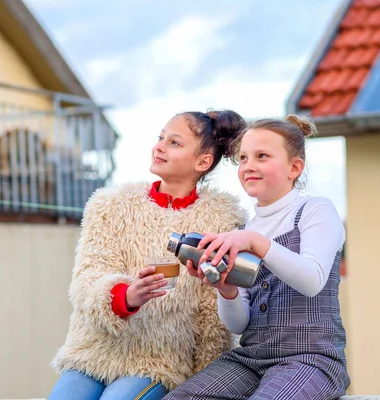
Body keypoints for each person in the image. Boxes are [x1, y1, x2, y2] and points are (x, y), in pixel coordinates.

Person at [49, 110, 248, 400]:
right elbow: (86, 281)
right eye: (160, 138)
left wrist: (203, 380)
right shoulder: (109, 206)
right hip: (93, 350)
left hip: (160, 362)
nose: (159, 146)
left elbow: (211, 318)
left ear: (202, 161)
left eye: (174, 142)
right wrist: (127, 296)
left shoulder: (222, 221)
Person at [166, 115, 350, 400]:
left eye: (262, 156)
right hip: (251, 362)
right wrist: (225, 290)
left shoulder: (315, 211)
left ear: (294, 167)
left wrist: (256, 243)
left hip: (310, 361)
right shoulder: (245, 230)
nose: (249, 166)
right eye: (243, 158)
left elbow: (312, 279)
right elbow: (239, 325)